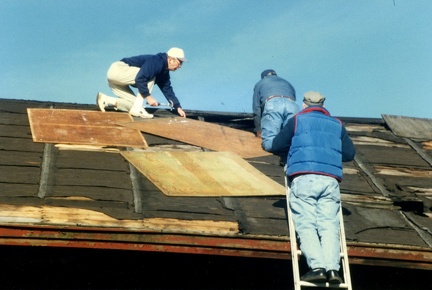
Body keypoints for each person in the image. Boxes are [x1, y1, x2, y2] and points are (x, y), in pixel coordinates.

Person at [269, 91, 356, 284]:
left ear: (304, 104)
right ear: (324, 105)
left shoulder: (297, 120)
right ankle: (333, 269)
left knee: (306, 223)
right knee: (328, 225)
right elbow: (349, 153)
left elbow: (276, 145)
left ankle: (317, 267)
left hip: (304, 176)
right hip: (330, 180)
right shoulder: (337, 124)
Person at [96, 47, 188, 119]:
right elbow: (141, 78)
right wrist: (148, 97)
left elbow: (167, 89)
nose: (180, 66)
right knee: (150, 76)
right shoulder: (157, 61)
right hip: (118, 70)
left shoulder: (164, 73)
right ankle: (138, 108)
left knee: (134, 105)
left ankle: (106, 100)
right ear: (171, 59)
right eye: (179, 63)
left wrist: (177, 106)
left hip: (114, 80)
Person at [252, 69, 300, 153]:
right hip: (292, 104)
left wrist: (258, 129)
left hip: (274, 103)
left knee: (269, 141)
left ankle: (273, 159)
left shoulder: (261, 83)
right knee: (290, 138)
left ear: (264, 77)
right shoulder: (287, 82)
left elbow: (257, 107)